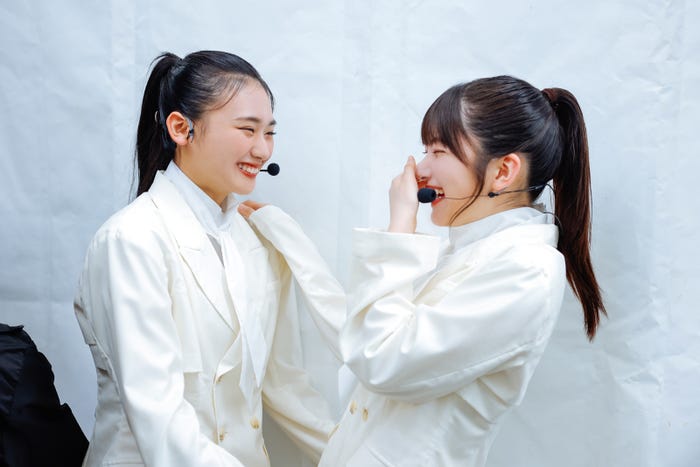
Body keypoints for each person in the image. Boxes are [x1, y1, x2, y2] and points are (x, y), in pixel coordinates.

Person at [317, 75, 607, 466]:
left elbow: (382, 359)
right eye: (425, 150)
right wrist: (286, 239)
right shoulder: (470, 250)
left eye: (439, 151)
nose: (420, 169)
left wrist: (400, 227)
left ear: (503, 171)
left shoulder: (527, 270)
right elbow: (359, 328)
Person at [74, 50, 344, 467]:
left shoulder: (255, 240)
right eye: (247, 129)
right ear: (181, 128)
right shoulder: (130, 241)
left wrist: (351, 455)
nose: (262, 149)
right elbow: (159, 417)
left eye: (269, 132)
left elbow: (285, 386)